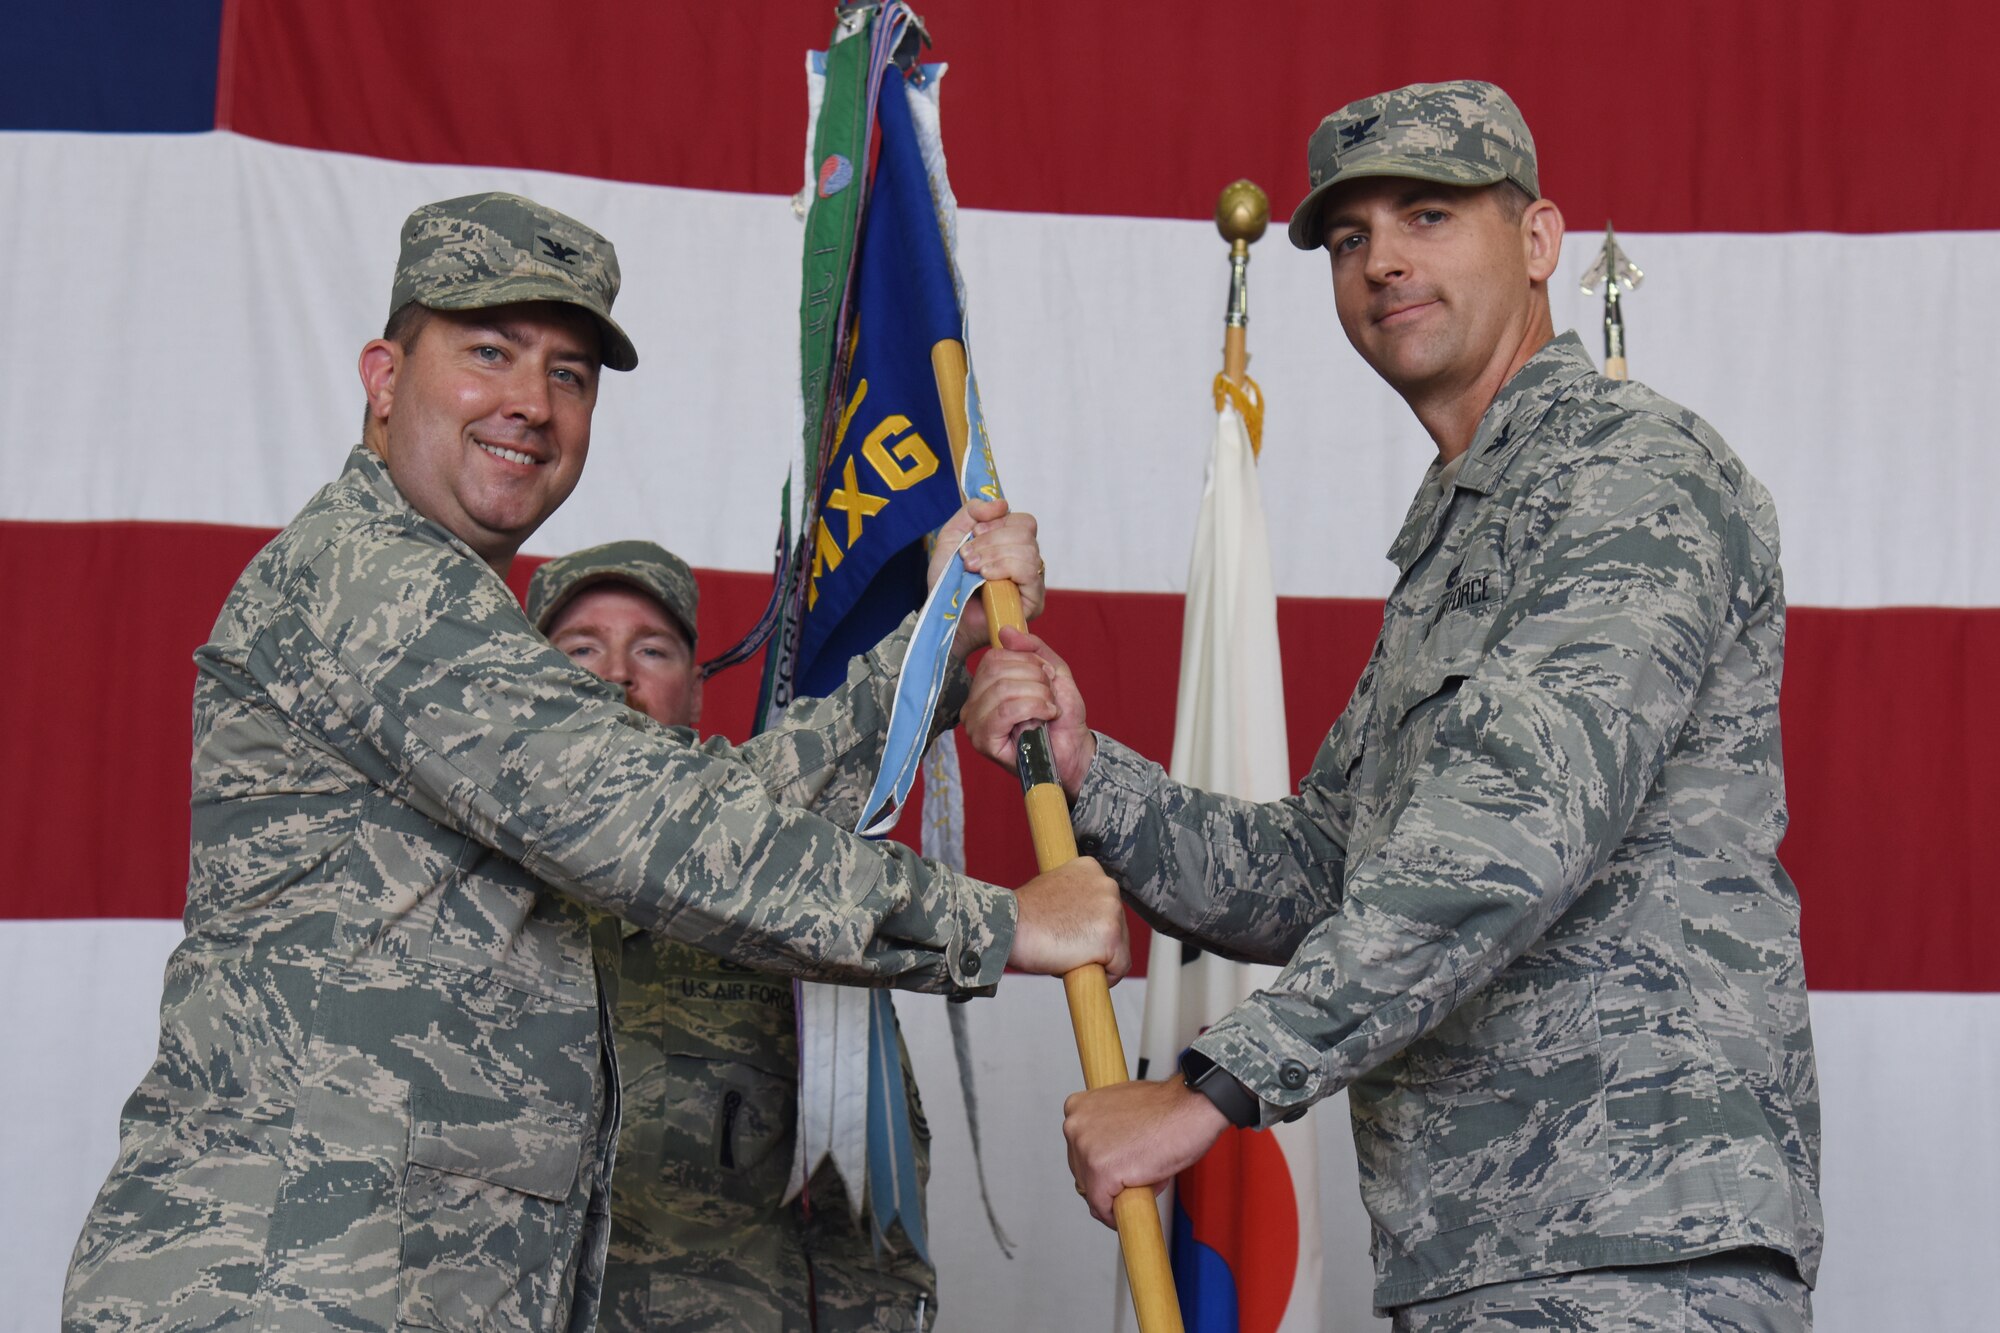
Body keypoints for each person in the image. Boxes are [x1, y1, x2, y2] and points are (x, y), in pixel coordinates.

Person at [61, 191, 1127, 1332]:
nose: (530, 401)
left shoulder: (449, 613)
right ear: (382, 377)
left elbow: (668, 803)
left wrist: (935, 644)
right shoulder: (370, 580)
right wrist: (1000, 922)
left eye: (569, 373)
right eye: (487, 351)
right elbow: (651, 832)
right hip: (285, 1290)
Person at [965, 82, 1822, 1330]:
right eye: (1350, 236)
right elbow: (1325, 868)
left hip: (1634, 1241)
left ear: (1536, 243)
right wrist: (1092, 773)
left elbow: (1503, 838)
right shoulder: (1461, 529)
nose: (1382, 263)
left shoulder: (1631, 476)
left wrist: (1209, 1091)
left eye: (1427, 214)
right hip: (1485, 1252)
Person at [527, 542, 939, 1332]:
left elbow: (865, 1203)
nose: (615, 675)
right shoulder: (462, 880)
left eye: (651, 649)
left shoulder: (787, 914)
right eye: (579, 648)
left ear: (695, 696)